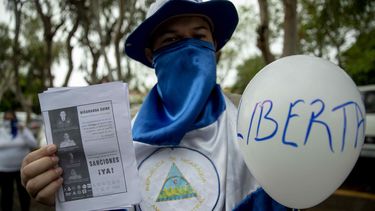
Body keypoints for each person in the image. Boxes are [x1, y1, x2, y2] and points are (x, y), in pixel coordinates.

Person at [20, 0, 289, 210]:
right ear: (152, 55)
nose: (188, 49)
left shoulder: (260, 125)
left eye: (199, 37)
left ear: (214, 46)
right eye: (171, 41)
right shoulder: (118, 137)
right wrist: (64, 193)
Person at [0, 110, 37, 211]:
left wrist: (24, 130)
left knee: (23, 192)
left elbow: (33, 144)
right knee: (6, 193)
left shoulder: (22, 130)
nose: (9, 121)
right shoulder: (1, 131)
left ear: (15, 119)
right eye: (6, 119)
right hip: (4, 169)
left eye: (11, 118)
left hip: (21, 169)